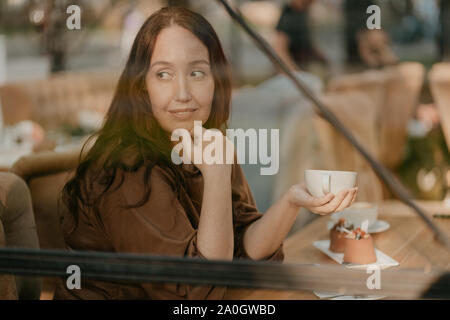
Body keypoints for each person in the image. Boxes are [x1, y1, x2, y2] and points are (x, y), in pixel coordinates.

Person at [53, 7, 357, 300]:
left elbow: (239, 251)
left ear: (216, 81)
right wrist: (216, 179)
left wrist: (291, 200)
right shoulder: (127, 169)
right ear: (142, 87)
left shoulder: (209, 144)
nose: (183, 93)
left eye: (197, 72)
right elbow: (196, 291)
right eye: (163, 75)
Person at [273, 0, 328, 71]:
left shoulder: (303, 12)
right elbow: (279, 50)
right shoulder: (289, 15)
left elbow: (306, 41)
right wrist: (294, 72)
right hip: (294, 69)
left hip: (304, 65)